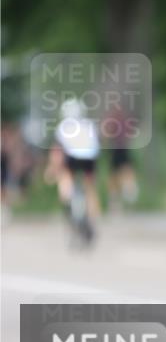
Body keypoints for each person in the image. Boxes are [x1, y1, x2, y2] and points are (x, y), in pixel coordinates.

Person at [43, 98, 102, 240]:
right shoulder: (90, 125)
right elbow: (96, 145)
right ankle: (92, 220)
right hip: (90, 160)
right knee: (90, 189)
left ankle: (68, 200)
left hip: (72, 160)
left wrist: (52, 169)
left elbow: (57, 151)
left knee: (65, 180)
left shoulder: (63, 127)